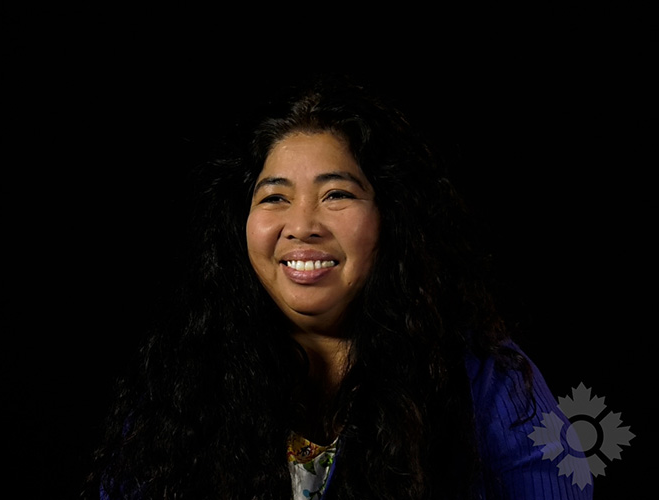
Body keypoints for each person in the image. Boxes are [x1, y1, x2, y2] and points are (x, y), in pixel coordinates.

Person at [83, 74, 592, 499]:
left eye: (337, 194)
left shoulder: (486, 381)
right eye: (274, 197)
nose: (302, 224)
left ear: (391, 219)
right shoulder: (181, 383)